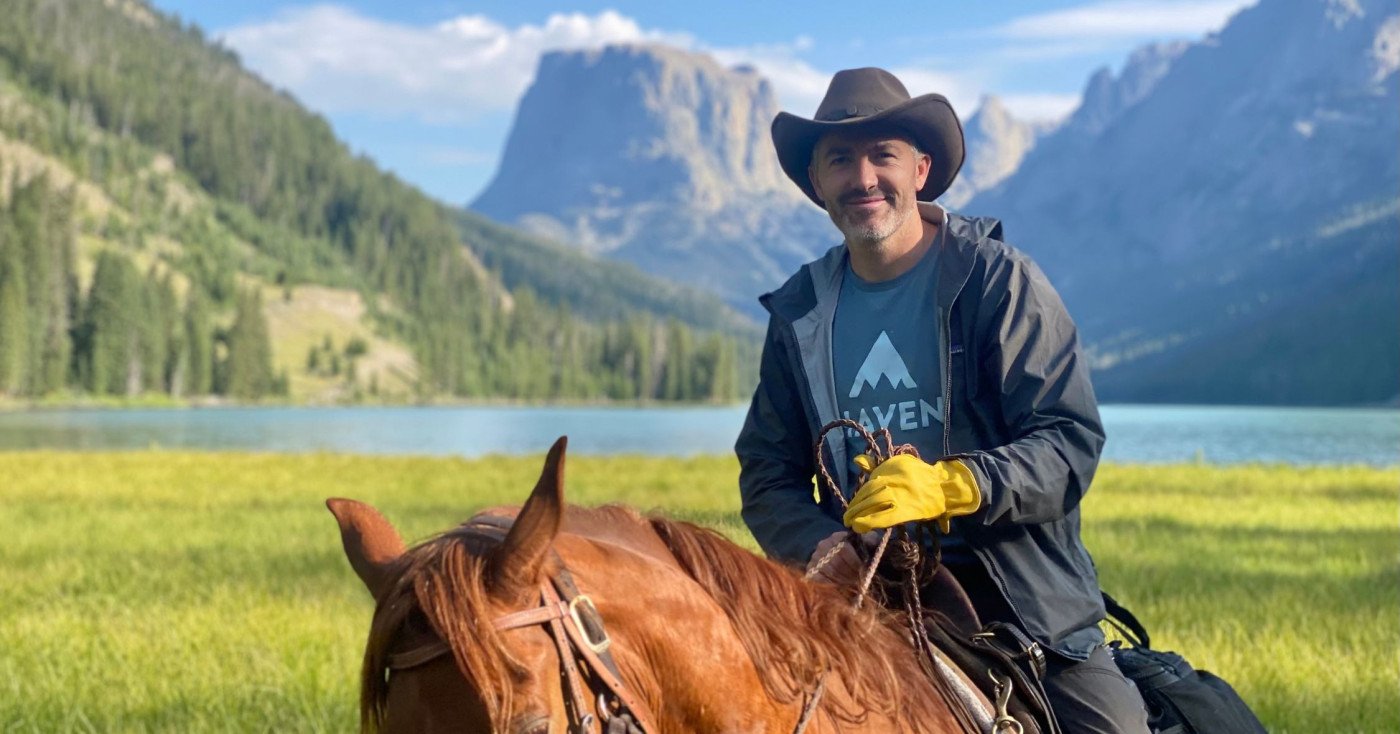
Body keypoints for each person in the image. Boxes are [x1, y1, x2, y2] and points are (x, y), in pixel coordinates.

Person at [735, 67, 1151, 733]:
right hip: (860, 599)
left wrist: (954, 484)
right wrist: (827, 547)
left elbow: (1068, 442)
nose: (863, 177)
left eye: (883, 156)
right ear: (818, 184)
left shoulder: (998, 281)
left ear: (921, 170)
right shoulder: (801, 311)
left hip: (1020, 606)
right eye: (840, 160)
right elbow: (767, 472)